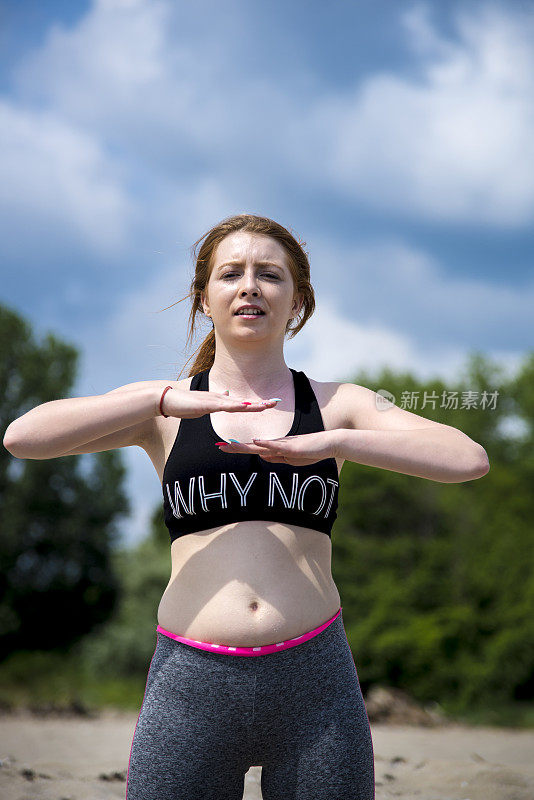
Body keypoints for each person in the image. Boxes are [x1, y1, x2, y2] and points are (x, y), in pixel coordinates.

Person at [3, 213, 490, 800]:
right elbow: (22, 437)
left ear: (298, 301)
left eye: (270, 275)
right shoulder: (162, 408)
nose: (250, 286)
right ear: (204, 299)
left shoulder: (339, 405)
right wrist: (158, 397)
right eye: (230, 273)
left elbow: (468, 458)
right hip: (189, 683)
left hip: (314, 684)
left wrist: (335, 442)